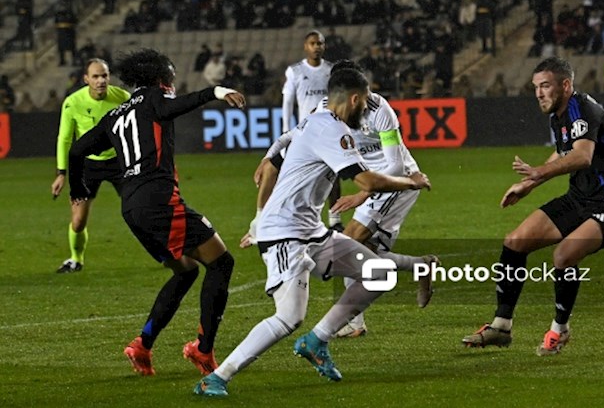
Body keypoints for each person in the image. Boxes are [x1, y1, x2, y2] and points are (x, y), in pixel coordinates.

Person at [195, 68, 431, 397]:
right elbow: (367, 182)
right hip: (283, 233)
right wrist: (412, 180)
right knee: (289, 317)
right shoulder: (331, 130)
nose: (365, 112)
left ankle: (317, 340)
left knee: (380, 274)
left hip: (311, 230)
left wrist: (268, 159)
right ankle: (217, 377)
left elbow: (280, 152)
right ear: (354, 99)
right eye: (363, 104)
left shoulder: (321, 121)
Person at [68, 48, 245, 376]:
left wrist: (77, 191)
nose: (173, 84)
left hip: (132, 207)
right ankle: (203, 351)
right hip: (159, 201)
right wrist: (217, 91)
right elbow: (174, 106)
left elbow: (77, 149)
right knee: (221, 262)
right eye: (171, 77)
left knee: (186, 271)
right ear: (160, 79)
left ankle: (142, 346)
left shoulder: (116, 114)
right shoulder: (153, 99)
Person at [243, 60, 437, 338]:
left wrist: (361, 194)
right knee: (366, 254)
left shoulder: (381, 110)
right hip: (368, 179)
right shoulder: (326, 110)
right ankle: (419, 266)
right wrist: (268, 156)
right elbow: (291, 135)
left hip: (395, 181)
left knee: (352, 243)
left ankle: (354, 324)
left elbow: (394, 165)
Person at [462, 56, 604, 355]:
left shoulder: (582, 108)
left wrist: (538, 173)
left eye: (545, 86)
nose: (539, 93)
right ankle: (501, 326)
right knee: (515, 242)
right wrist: (528, 184)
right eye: (535, 87)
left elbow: (582, 156)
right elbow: (562, 153)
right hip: (580, 197)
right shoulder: (558, 115)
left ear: (565, 85)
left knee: (564, 255)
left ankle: (559, 329)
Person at [51, 59, 131, 273]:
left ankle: (165, 254)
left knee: (141, 211)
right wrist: (61, 173)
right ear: (86, 79)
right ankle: (75, 259)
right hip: (86, 166)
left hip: (119, 163)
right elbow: (65, 139)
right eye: (95, 76)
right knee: (77, 222)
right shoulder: (72, 102)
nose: (101, 80)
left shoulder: (123, 98)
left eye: (104, 75)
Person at [282, 30, 341, 228]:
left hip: (329, 129)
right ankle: (302, 218)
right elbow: (288, 102)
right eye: (313, 43)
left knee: (333, 173)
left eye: (320, 43)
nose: (317, 47)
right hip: (306, 131)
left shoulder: (331, 70)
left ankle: (335, 220)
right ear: (305, 47)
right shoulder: (295, 71)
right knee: (303, 176)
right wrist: (285, 130)